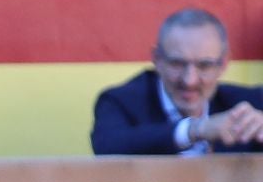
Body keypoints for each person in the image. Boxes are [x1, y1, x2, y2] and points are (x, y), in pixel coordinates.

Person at [91, 8, 263, 155]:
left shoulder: (251, 103)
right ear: (157, 59)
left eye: (204, 66)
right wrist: (196, 129)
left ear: (223, 64)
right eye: (177, 64)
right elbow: (107, 147)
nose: (190, 80)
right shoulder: (119, 102)